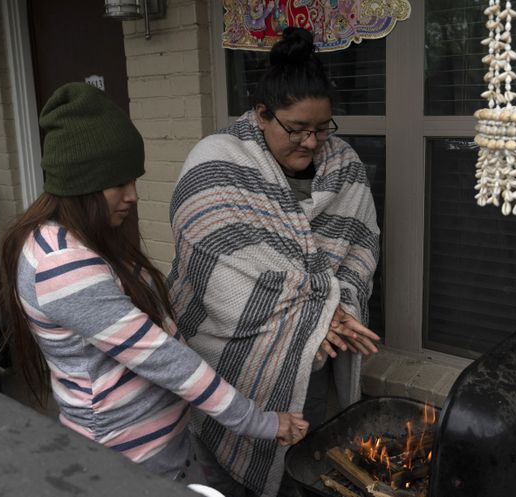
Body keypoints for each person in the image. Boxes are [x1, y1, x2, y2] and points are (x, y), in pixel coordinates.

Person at [0, 82, 308, 486]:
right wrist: (262, 422)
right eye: (119, 183)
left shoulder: (78, 239)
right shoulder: (64, 263)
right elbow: (163, 357)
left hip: (160, 451)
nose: (133, 196)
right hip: (126, 463)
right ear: (83, 184)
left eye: (134, 180)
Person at [167, 27, 381, 497]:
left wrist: (333, 309)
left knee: (305, 463)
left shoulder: (343, 165)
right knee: (226, 480)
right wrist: (315, 313)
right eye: (297, 129)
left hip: (314, 360)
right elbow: (213, 254)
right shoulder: (217, 158)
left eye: (322, 129)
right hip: (230, 359)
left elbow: (358, 250)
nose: (311, 143)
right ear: (262, 114)